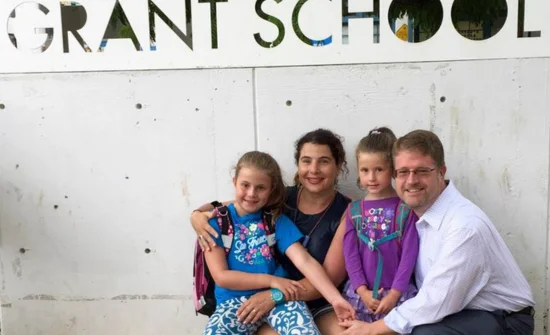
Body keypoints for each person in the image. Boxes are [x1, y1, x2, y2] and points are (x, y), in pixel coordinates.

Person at [339, 129, 535, 335]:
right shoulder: (413, 215)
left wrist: (370, 330)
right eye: (403, 172)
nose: (411, 180)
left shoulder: (464, 227)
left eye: (422, 171)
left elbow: (436, 300)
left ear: (441, 172)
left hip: (503, 321)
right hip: (460, 315)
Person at [192, 129, 351, 334]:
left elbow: (308, 263)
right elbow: (238, 207)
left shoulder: (278, 219)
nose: (314, 169)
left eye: (324, 161)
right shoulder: (228, 219)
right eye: (306, 160)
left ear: (338, 166)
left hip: (292, 299)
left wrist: (335, 299)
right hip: (239, 304)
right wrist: (197, 214)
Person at [342, 127, 419, 323]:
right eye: (365, 170)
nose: (372, 177)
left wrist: (394, 294)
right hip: (362, 297)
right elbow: (350, 256)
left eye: (379, 169)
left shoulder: (405, 210)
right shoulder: (354, 211)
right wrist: (362, 291)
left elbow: (409, 256)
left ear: (392, 169)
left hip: (397, 296)